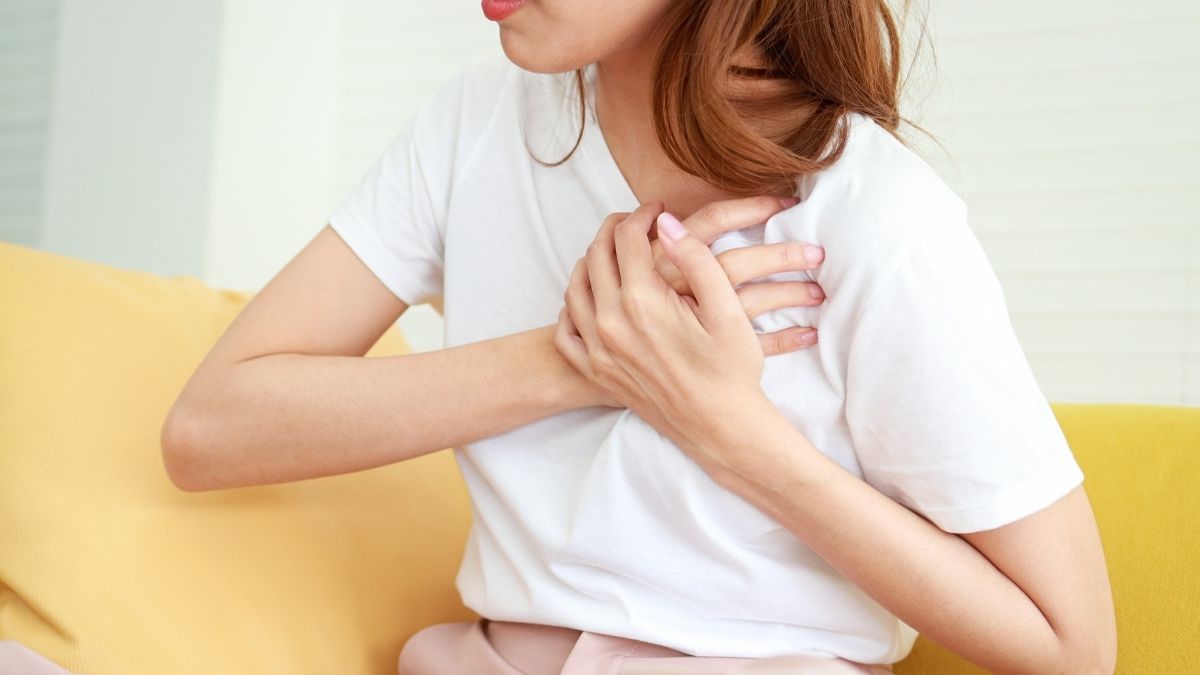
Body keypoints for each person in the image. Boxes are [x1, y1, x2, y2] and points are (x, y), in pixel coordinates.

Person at [161, 0, 1118, 673]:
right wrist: (579, 358)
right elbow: (211, 429)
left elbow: (1070, 645)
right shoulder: (476, 124)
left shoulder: (876, 220)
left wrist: (725, 430)